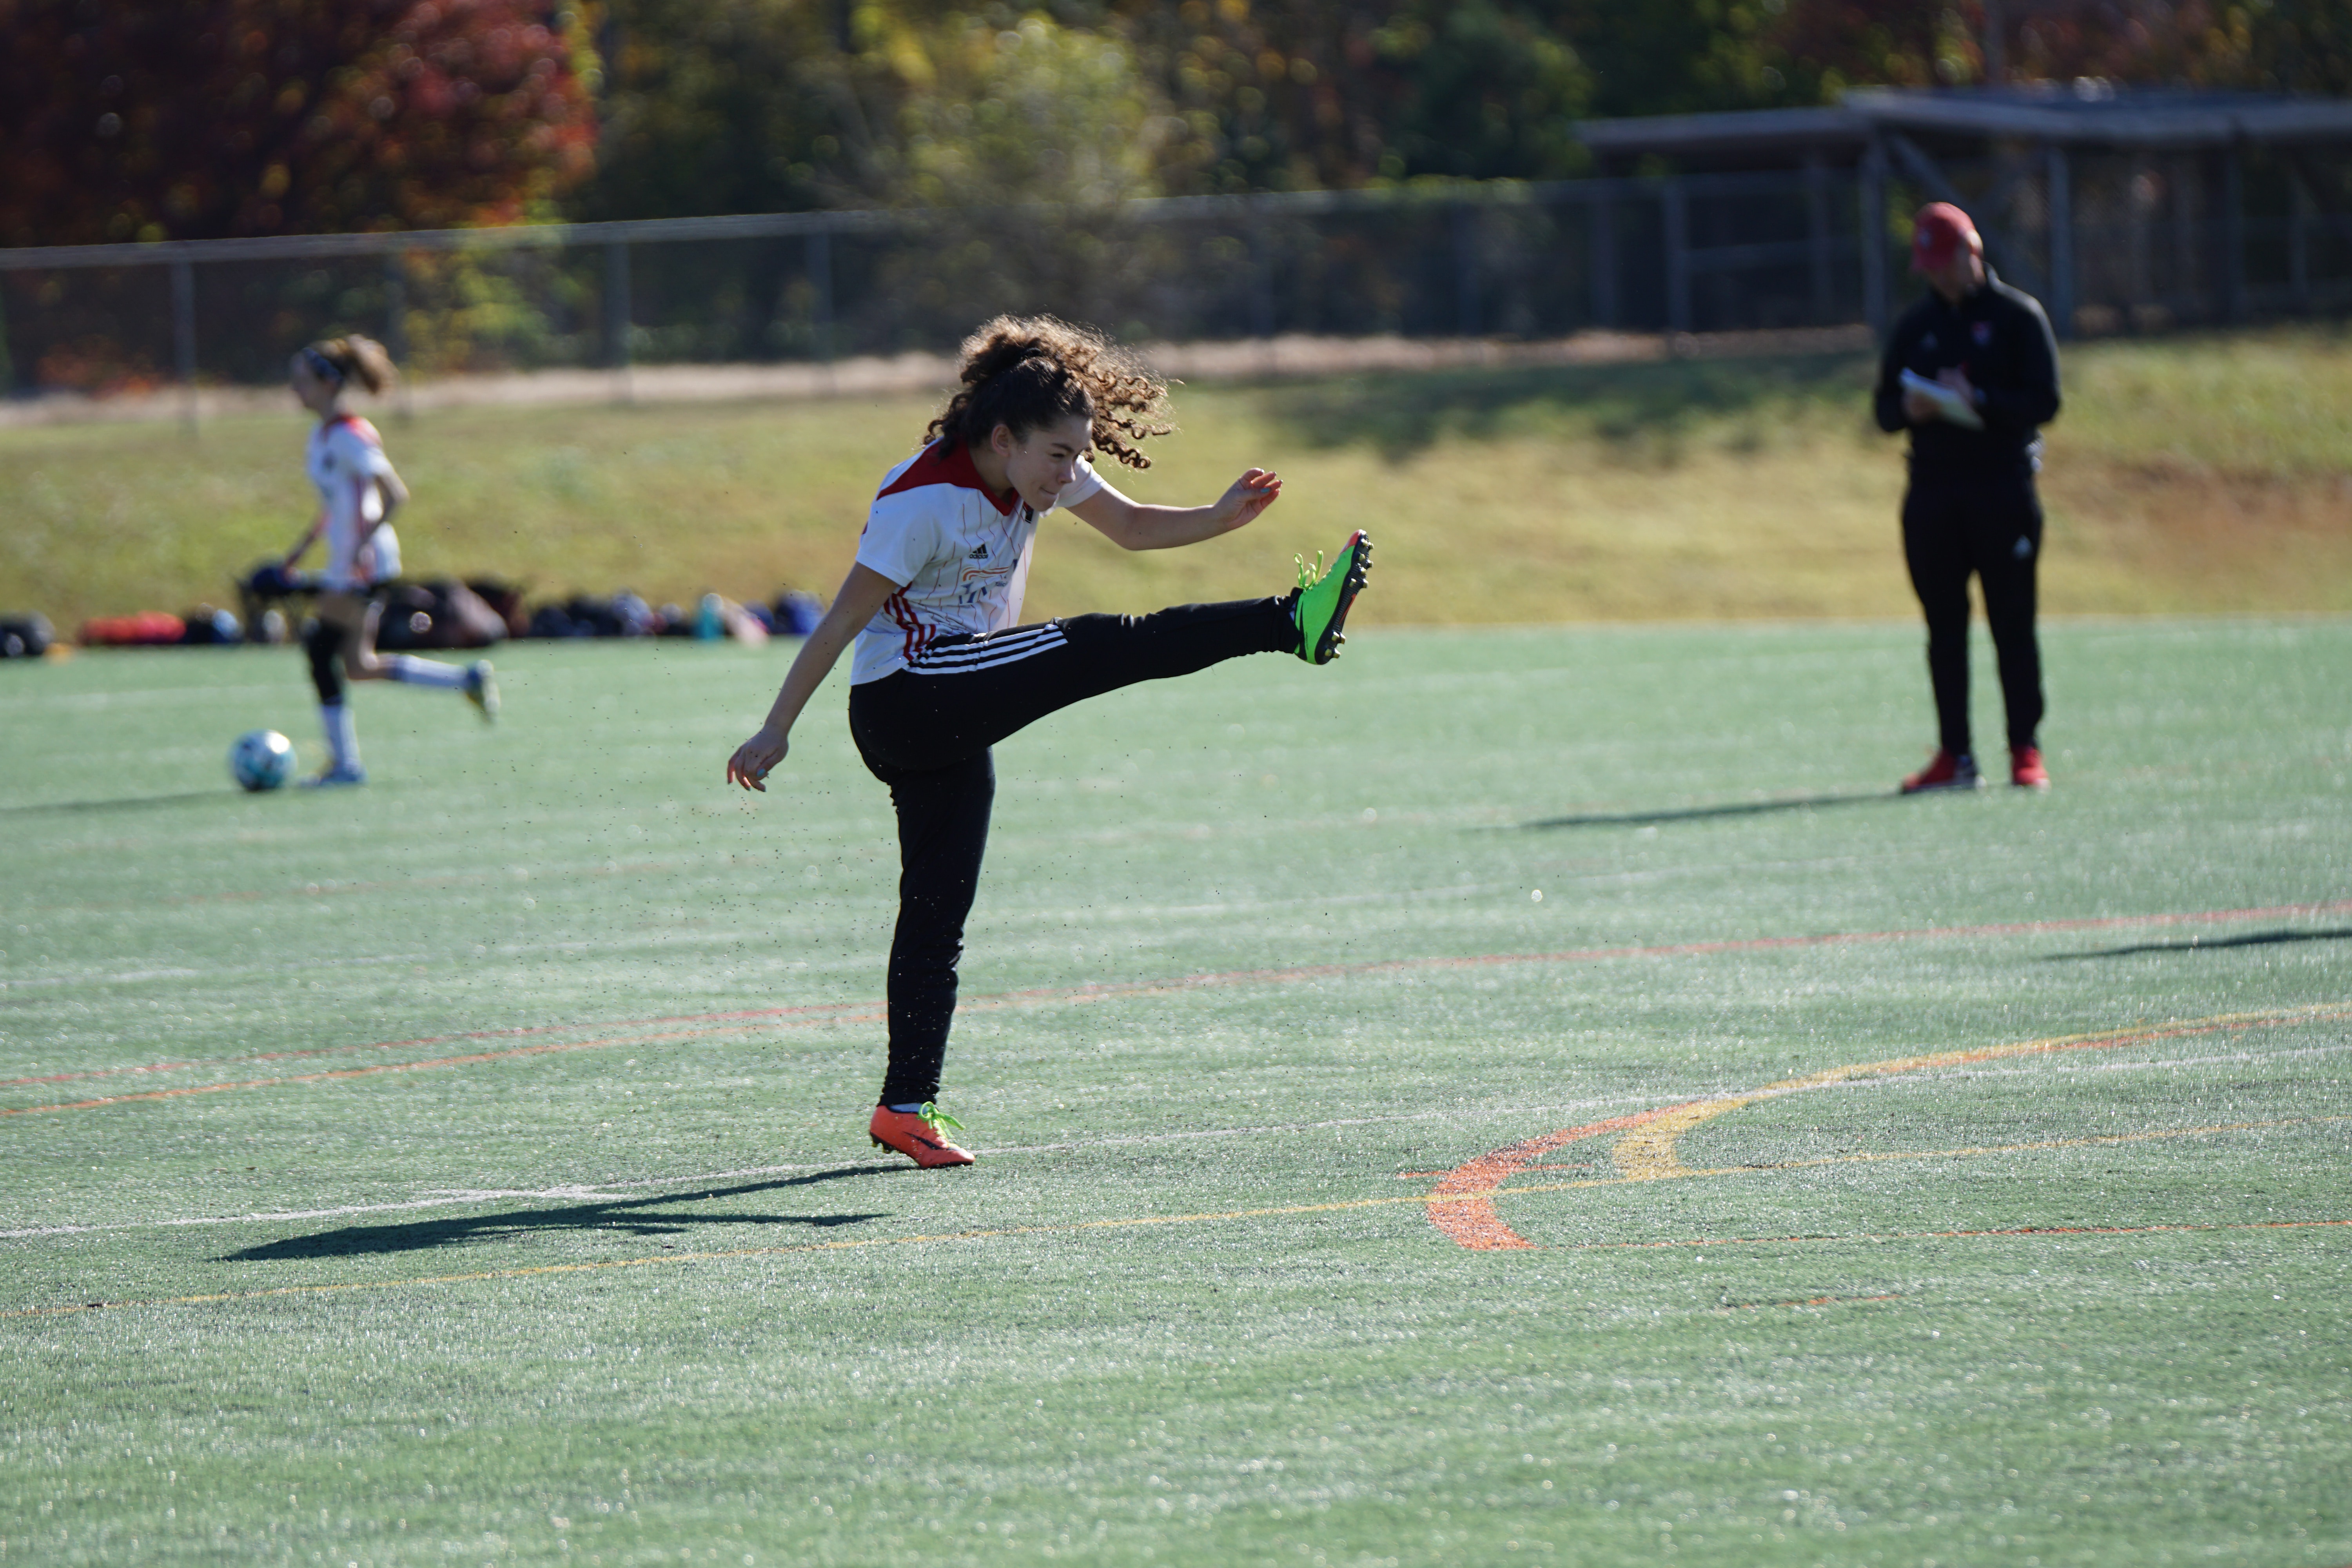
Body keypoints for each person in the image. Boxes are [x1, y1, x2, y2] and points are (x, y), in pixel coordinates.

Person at [725, 316, 1371, 1168]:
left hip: (947, 711)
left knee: (936, 917)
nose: (1072, 474)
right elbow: (842, 618)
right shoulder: (922, 500)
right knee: (1104, 642)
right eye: (1061, 457)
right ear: (1004, 438)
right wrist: (777, 726)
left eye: (1080, 456)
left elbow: (1135, 530)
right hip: (909, 698)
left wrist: (1221, 517)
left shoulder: (1037, 470)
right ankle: (1291, 620)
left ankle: (905, 1106)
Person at [1874, 202, 2060, 793]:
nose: (1935, 276)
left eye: (1942, 262)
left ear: (1970, 252)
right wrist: (1911, 407)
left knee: (2013, 625)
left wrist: (1977, 398)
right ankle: (1955, 755)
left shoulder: (2018, 318)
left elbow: (2044, 403)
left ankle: (2024, 748)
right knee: (1944, 628)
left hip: (2001, 490)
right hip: (1933, 493)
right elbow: (1882, 409)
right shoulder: (1915, 325)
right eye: (1926, 265)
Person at [281, 336, 496, 786]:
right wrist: (302, 548)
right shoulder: (321, 436)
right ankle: (465, 681)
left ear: (326, 383)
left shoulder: (348, 434)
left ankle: (346, 766)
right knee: (358, 667)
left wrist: (362, 546)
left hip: (362, 565)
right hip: (349, 560)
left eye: (302, 379)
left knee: (322, 650)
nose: (294, 387)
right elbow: (336, 504)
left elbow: (394, 494)